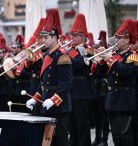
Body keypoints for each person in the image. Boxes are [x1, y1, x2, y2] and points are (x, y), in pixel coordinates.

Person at [26, 9, 73, 146]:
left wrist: (53, 100)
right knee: (48, 141)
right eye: (43, 37)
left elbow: (66, 85)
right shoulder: (47, 55)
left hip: (59, 106)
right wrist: (35, 98)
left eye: (46, 38)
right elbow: (44, 83)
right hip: (46, 104)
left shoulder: (62, 56)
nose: (43, 41)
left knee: (61, 140)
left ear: (55, 37)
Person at [103, 19, 137, 146]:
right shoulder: (114, 55)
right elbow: (101, 73)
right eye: (116, 38)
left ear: (127, 40)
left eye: (119, 38)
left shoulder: (133, 56)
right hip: (112, 99)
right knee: (116, 136)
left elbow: (127, 72)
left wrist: (111, 60)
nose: (116, 41)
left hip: (124, 100)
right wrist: (101, 62)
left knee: (125, 136)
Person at [68, 13, 94, 146]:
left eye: (75, 35)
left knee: (82, 125)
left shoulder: (86, 50)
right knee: (72, 125)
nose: (72, 37)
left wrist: (65, 56)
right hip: (71, 92)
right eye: (72, 35)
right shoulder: (70, 51)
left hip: (82, 92)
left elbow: (78, 64)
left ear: (83, 36)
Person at [90, 31, 109, 146]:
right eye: (94, 48)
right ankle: (97, 137)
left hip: (102, 89)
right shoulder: (93, 58)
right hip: (94, 89)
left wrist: (99, 63)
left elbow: (103, 73)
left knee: (103, 115)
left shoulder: (104, 58)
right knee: (96, 115)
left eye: (97, 48)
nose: (95, 50)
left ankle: (104, 139)